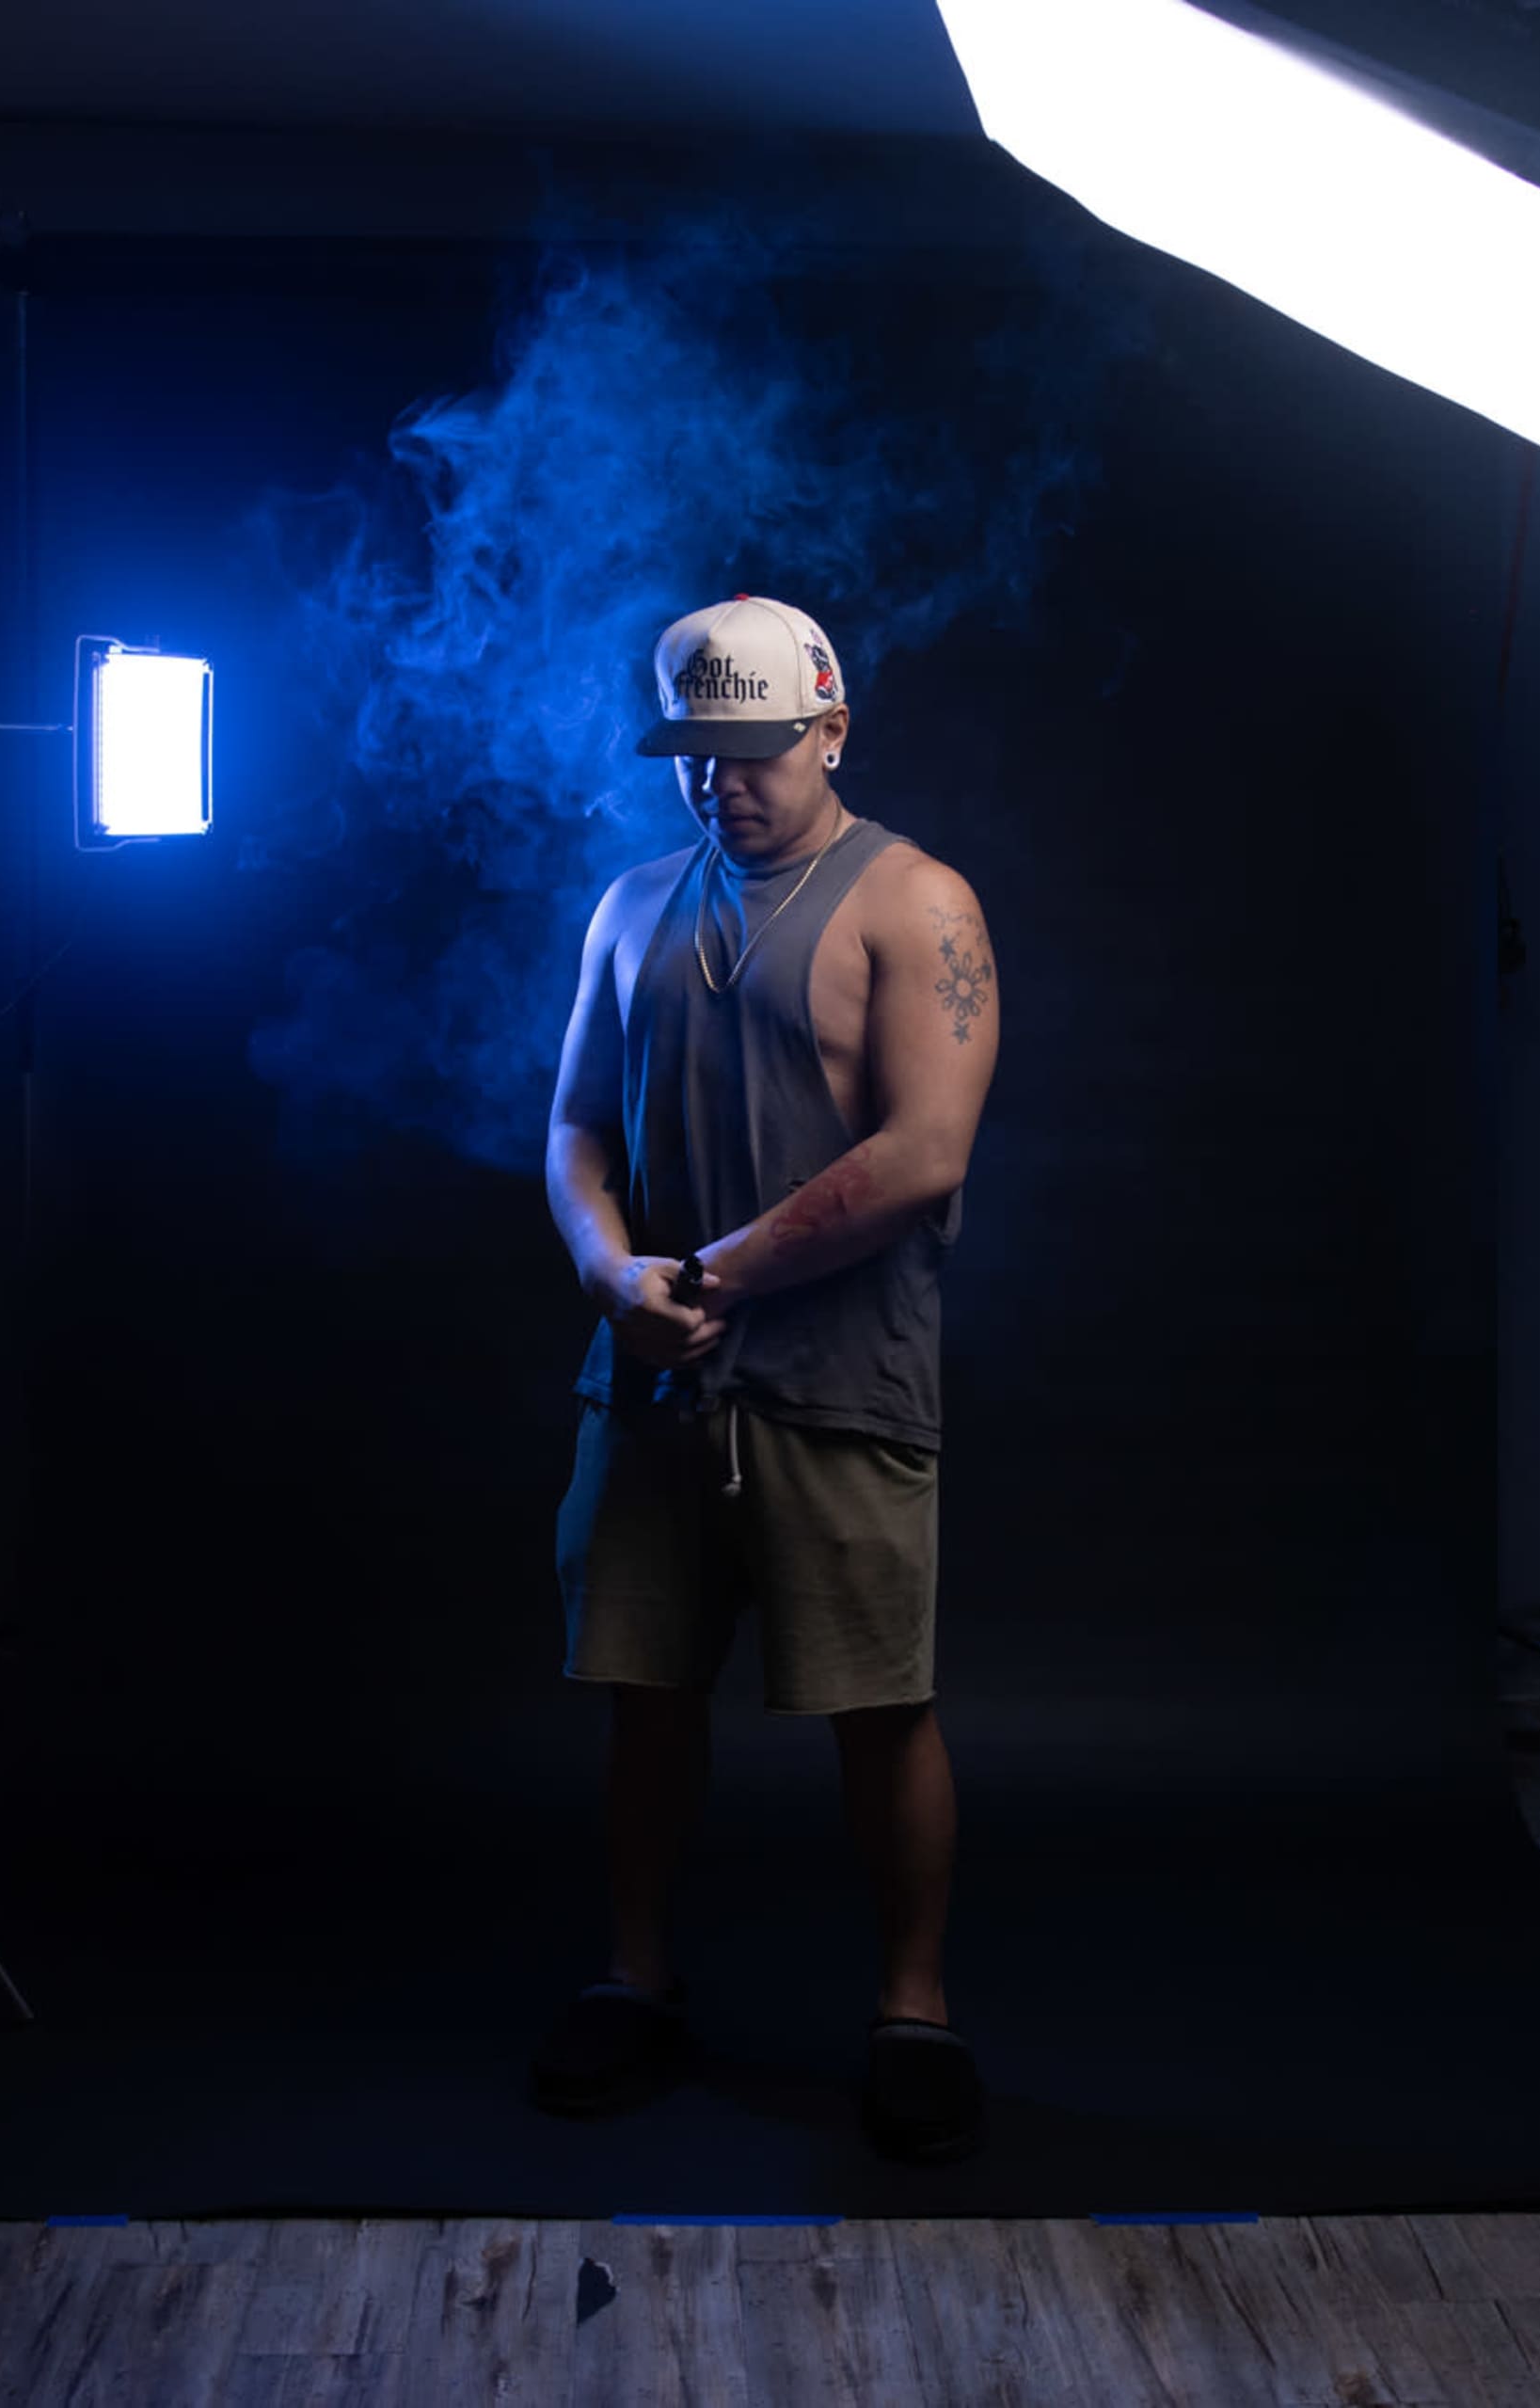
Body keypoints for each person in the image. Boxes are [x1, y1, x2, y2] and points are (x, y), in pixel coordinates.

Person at [532, 593, 1001, 2164]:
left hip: (837, 1387)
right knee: (646, 1699)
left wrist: (711, 1275)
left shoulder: (916, 905)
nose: (723, 781)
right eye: (695, 753)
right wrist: (612, 1275)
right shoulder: (629, 908)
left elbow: (927, 1152)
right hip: (652, 1380)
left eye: (754, 750)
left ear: (830, 728)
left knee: (880, 1707)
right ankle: (635, 1974)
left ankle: (913, 2007)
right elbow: (576, 1127)